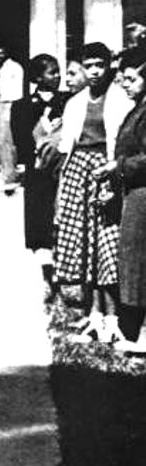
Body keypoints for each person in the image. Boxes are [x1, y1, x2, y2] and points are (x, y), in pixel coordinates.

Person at [55, 42, 133, 344]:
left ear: (109, 66)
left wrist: (113, 173)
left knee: (107, 243)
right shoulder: (74, 102)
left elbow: (122, 144)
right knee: (83, 244)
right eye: (90, 66)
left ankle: (112, 317)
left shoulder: (121, 101)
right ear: (83, 68)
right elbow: (66, 146)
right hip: (79, 172)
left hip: (107, 171)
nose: (95, 71)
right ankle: (93, 316)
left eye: (101, 65)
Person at [94, 54, 146, 352]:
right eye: (123, 78)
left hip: (143, 196)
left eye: (132, 79)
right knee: (134, 263)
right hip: (133, 194)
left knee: (140, 263)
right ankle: (135, 332)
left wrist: (118, 166)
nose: (125, 84)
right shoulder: (136, 109)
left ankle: (142, 334)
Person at [14, 54, 74, 293]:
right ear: (38, 77)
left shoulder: (68, 101)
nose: (58, 76)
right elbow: (20, 139)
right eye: (52, 72)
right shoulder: (23, 105)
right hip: (37, 172)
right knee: (39, 221)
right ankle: (47, 275)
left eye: (59, 71)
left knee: (61, 219)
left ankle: (64, 271)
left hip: (61, 170)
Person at [0, 44, 24, 194]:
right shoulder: (1, 69)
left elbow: (18, 92)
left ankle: (11, 176)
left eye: (0, 53)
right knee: (0, 141)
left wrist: (13, 109)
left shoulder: (15, 68)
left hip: (11, 105)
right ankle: (6, 172)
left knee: (8, 141)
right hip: (2, 104)